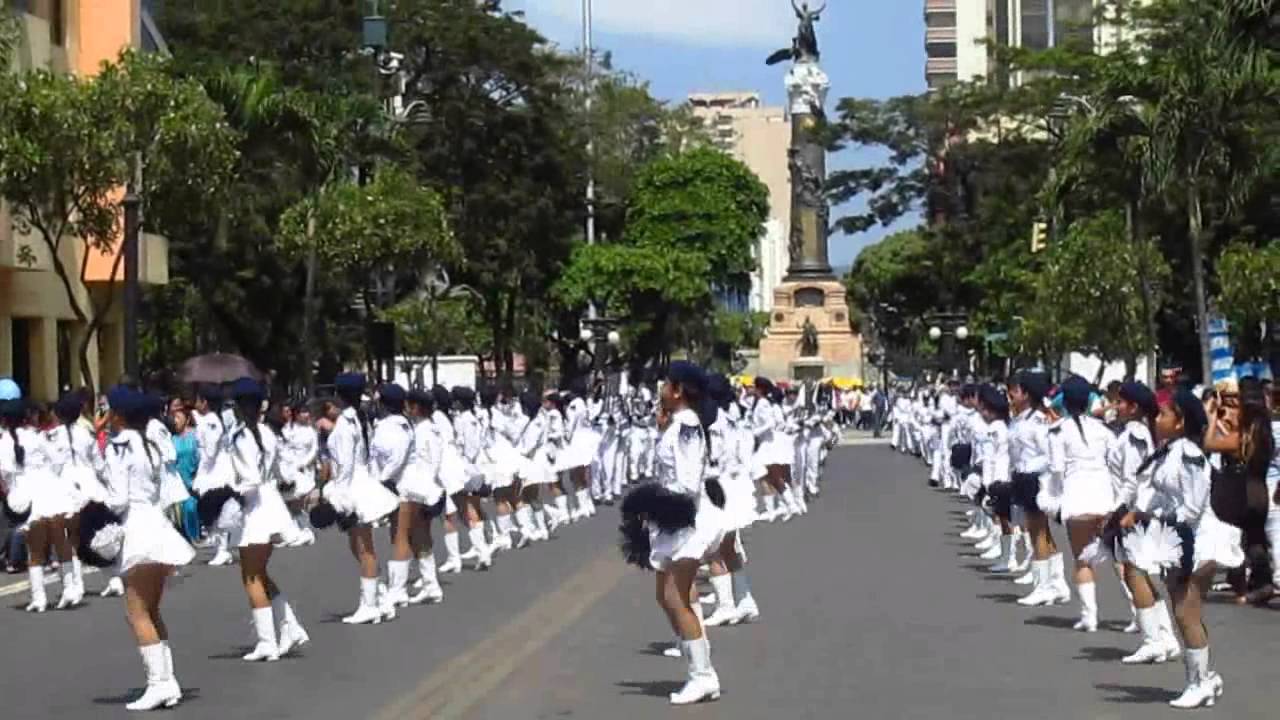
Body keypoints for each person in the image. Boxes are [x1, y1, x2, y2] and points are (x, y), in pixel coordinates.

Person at [1117, 389, 1240, 708]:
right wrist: (1138, 512)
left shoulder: (1190, 455)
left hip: (1200, 538)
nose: (1157, 419)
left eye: (1163, 414)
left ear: (1181, 422)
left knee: (1187, 610)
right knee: (1181, 609)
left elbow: (1193, 507)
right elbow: (1160, 492)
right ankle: (1203, 678)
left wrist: (1154, 517)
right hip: (1177, 535)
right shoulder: (1170, 451)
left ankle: (1200, 681)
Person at [618, 361, 727, 705]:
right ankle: (698, 657)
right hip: (674, 519)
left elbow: (687, 480)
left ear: (678, 390)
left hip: (686, 520)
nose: (660, 388)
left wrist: (652, 502)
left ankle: (703, 675)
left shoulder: (687, 426)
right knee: (667, 597)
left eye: (665, 383)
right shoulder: (678, 423)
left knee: (675, 597)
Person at [89, 385, 197, 710]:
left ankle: (157, 684)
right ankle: (168, 680)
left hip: (137, 529)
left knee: (136, 612)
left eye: (109, 410)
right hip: (157, 526)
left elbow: (119, 499)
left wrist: (96, 501)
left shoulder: (120, 447)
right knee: (151, 610)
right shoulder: (149, 442)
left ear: (118, 415)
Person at [224, 378, 308, 662]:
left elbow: (248, 480)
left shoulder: (238, 436)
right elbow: (281, 471)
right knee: (259, 573)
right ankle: (290, 625)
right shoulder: (267, 433)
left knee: (251, 577)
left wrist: (227, 492)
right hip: (271, 502)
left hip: (254, 506)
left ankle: (267, 641)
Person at [317, 373, 400, 625]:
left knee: (364, 547)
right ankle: (380, 597)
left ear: (339, 395)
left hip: (352, 486)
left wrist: (339, 498)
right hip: (362, 481)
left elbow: (344, 465)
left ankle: (370, 605)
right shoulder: (360, 418)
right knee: (359, 545)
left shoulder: (344, 424)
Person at [169, 407, 201, 542]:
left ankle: (195, 536)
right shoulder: (172, 439)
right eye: (174, 418)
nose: (175, 421)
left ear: (187, 420)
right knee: (179, 511)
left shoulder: (194, 437)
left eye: (179, 418)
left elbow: (200, 457)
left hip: (192, 478)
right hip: (177, 480)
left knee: (190, 507)